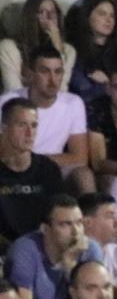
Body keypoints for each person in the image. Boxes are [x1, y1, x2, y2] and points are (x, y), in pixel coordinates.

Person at [0, 45, 93, 186]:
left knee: (84, 175)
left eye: (58, 72)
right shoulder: (8, 101)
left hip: (53, 166)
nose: (53, 79)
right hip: (15, 167)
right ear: (30, 73)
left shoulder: (73, 103)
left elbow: (79, 158)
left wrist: (37, 162)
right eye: (45, 71)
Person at [7, 194, 101, 299]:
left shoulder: (90, 249)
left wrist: (70, 266)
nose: (76, 231)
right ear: (45, 229)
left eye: (79, 223)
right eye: (65, 224)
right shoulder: (25, 249)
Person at [0, 99, 67, 242]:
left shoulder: (48, 169)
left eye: (34, 125)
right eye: (22, 125)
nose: (30, 133)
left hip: (43, 246)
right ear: (4, 128)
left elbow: (60, 215)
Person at [64, 0, 117, 100]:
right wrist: (113, 87)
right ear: (87, 16)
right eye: (102, 14)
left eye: (112, 16)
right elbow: (83, 90)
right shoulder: (74, 49)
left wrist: (107, 83)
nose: (109, 20)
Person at [0, 0, 77, 92]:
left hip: (53, 104)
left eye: (53, 12)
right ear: (30, 17)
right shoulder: (9, 47)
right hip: (20, 104)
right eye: (41, 12)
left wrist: (58, 47)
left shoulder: (69, 50)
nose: (49, 17)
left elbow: (61, 88)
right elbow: (12, 89)